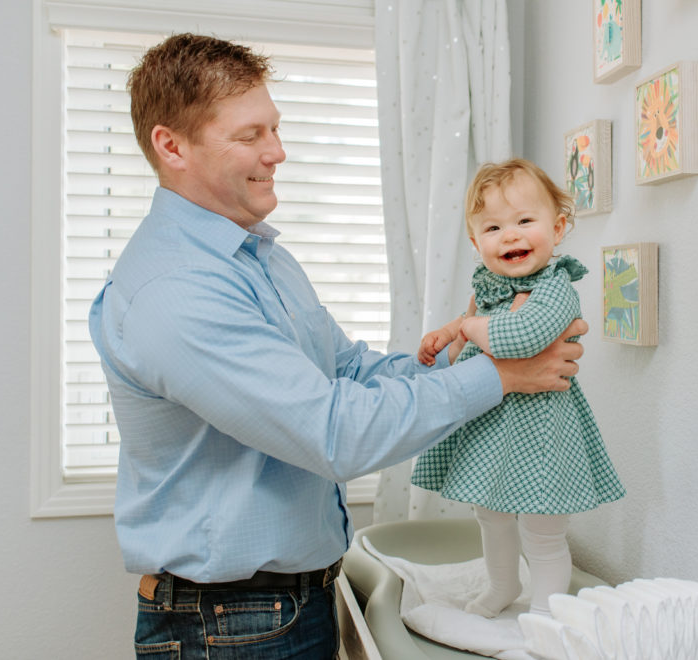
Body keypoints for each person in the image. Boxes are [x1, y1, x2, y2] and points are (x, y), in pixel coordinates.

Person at [88, 34, 587, 659]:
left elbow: (347, 369)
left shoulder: (257, 256)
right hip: (229, 626)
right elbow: (332, 433)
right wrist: (502, 374)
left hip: (284, 606)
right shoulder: (176, 291)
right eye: (251, 136)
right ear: (172, 145)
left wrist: (461, 353)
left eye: (275, 128)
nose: (278, 152)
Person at [411, 158, 626, 618]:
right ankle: (503, 585)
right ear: (476, 241)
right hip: (492, 424)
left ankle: (549, 610)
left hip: (543, 430)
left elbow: (518, 338)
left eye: (525, 221)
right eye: (492, 228)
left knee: (544, 529)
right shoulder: (489, 287)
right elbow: (478, 324)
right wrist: (452, 332)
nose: (509, 235)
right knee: (489, 515)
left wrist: (469, 326)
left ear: (558, 226)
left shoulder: (556, 287)